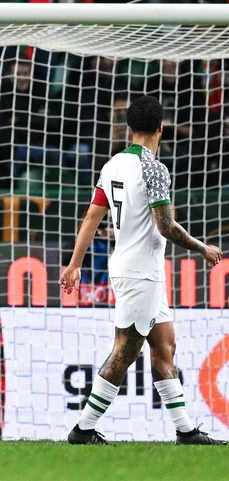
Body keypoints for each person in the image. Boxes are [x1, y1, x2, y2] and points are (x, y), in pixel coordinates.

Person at [60, 95, 226, 445]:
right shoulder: (154, 168)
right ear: (161, 128)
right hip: (140, 272)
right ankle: (83, 429)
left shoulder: (112, 165)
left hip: (136, 267)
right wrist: (202, 247)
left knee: (164, 347)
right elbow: (166, 226)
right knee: (125, 350)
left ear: (129, 128)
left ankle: (185, 431)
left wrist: (74, 264)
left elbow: (92, 217)